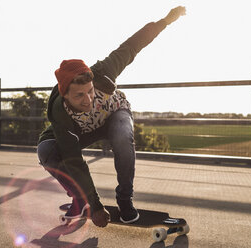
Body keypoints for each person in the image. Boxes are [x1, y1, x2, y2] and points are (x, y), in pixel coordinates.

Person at [37, 6, 186, 228]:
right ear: (64, 94)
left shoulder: (106, 69)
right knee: (46, 149)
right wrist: (95, 205)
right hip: (83, 130)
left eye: (90, 91)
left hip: (115, 114)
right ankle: (79, 199)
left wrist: (165, 21)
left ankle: (125, 200)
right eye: (79, 96)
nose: (87, 100)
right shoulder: (59, 112)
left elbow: (133, 45)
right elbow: (74, 160)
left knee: (122, 137)